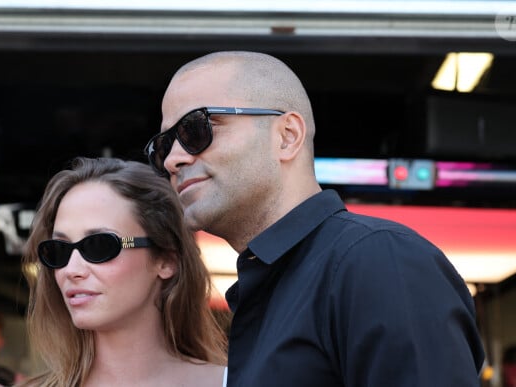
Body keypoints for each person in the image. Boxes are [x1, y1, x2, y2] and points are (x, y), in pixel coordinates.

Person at [145, 50, 486, 386]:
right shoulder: (274, 285)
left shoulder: (377, 260)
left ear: (287, 136)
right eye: (163, 145)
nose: (173, 159)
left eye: (196, 129)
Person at [0, 157, 228, 387]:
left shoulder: (236, 381)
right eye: (60, 250)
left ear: (167, 260)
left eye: (99, 246)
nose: (71, 270)